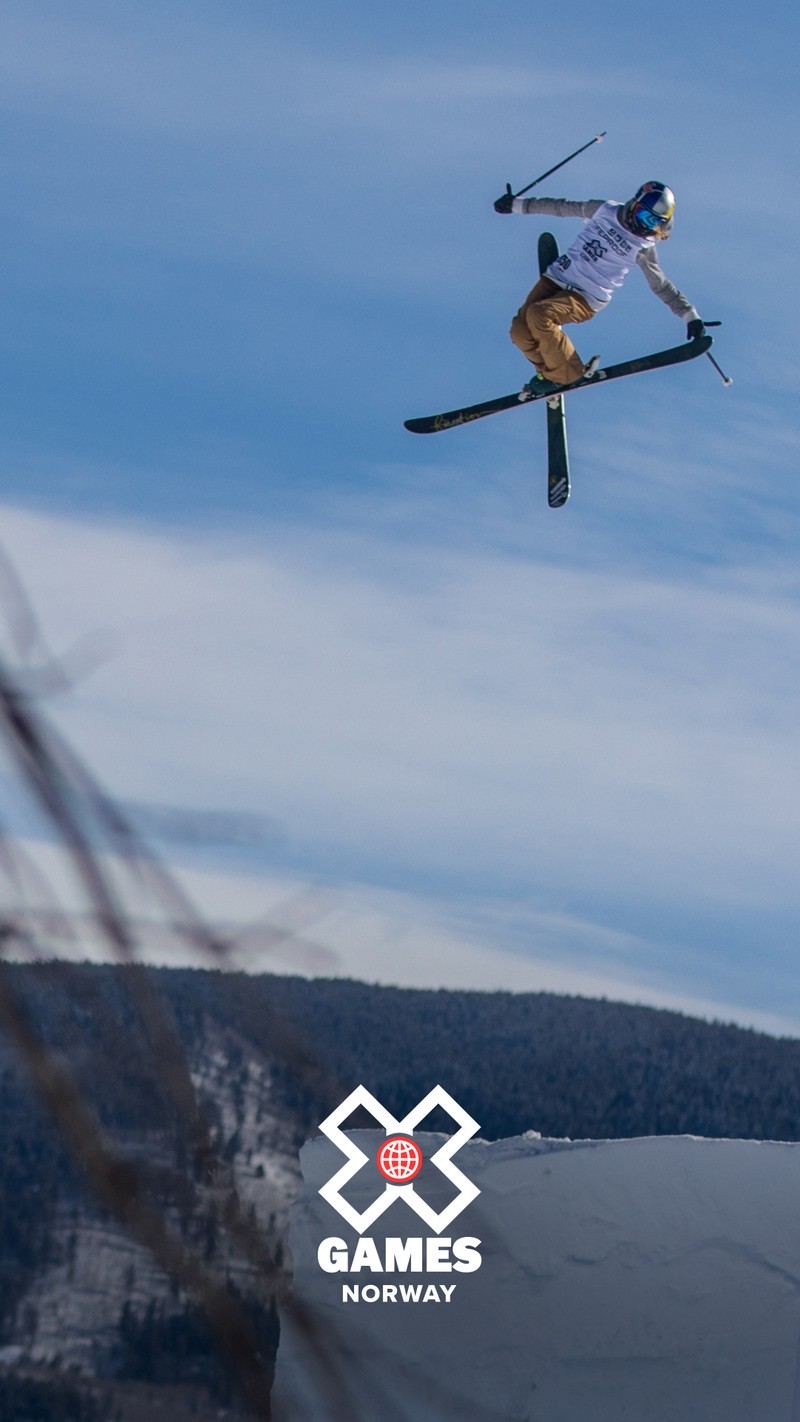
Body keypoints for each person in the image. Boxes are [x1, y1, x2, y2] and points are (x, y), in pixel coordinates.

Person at [494, 181, 704, 393]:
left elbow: (661, 286)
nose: (645, 225)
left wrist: (689, 315)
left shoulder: (643, 248)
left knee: (539, 315)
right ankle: (550, 374)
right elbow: (561, 207)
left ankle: (568, 373)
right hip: (556, 277)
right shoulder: (605, 211)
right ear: (634, 204)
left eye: (653, 222)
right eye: (643, 215)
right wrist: (516, 205)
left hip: (585, 296)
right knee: (520, 331)